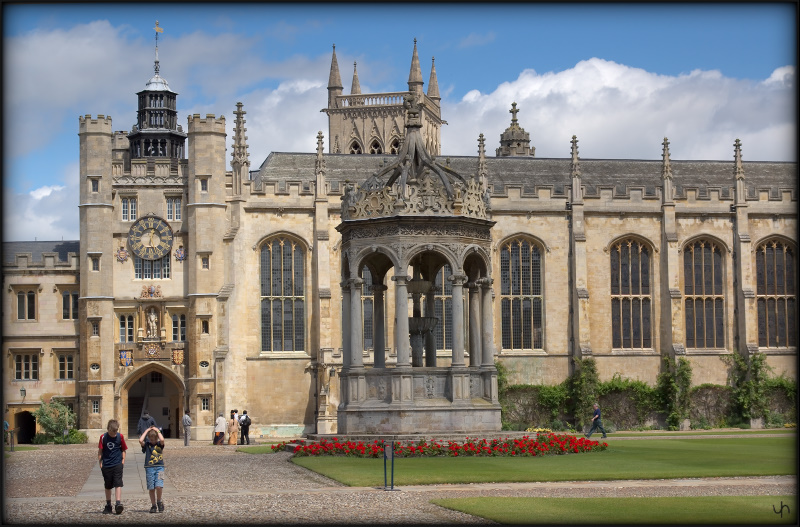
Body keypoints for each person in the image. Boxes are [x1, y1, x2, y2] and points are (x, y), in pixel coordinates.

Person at [98, 419, 128, 515]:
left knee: (118, 483)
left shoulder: (120, 437)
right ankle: (108, 505)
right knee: (108, 485)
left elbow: (123, 449)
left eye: (116, 431)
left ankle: (118, 503)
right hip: (106, 464)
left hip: (117, 464)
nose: (114, 433)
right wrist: (100, 463)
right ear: (108, 429)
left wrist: (122, 461)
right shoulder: (103, 437)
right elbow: (100, 451)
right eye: (112, 432)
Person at [139, 425, 166, 513]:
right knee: (151, 488)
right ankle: (153, 505)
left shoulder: (159, 444)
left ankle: (159, 501)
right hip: (149, 468)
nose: (153, 441)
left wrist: (157, 430)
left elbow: (162, 440)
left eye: (154, 439)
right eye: (151, 439)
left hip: (160, 467)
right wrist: (147, 431)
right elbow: (140, 440)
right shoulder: (147, 445)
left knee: (159, 486)